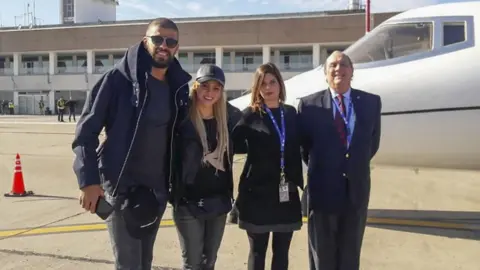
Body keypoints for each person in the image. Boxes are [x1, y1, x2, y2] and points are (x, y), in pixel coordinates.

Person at [72, 18, 192, 270]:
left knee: (144, 263)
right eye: (158, 39)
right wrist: (88, 181)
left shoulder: (177, 87)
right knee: (128, 264)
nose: (164, 45)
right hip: (121, 189)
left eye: (170, 42)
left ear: (176, 48)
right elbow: (86, 132)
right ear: (145, 41)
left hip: (156, 192)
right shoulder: (117, 80)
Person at [297, 51, 382, 270]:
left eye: (343, 64)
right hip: (322, 192)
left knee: (350, 254)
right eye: (332, 65)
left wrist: (350, 165)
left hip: (356, 191)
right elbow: (304, 149)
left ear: (352, 71)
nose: (338, 69)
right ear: (325, 73)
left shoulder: (371, 103)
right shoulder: (309, 106)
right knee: (322, 256)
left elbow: (371, 145)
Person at [232, 62, 304, 270]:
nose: (268, 87)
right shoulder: (249, 116)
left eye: (272, 82)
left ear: (280, 84)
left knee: (282, 252)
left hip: (285, 194)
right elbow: (231, 145)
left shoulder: (291, 114)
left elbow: (302, 146)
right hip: (257, 195)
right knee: (258, 251)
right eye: (262, 84)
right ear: (257, 88)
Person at [171, 64, 241, 270]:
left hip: (218, 200)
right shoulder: (182, 117)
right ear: (195, 87)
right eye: (205, 87)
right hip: (187, 200)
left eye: (216, 88)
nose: (210, 93)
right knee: (192, 263)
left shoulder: (229, 118)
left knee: (209, 261)